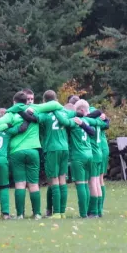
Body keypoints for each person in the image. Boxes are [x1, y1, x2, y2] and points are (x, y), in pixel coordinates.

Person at [0, 91, 63, 219]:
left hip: (16, 152)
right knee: (34, 183)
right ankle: (37, 214)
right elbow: (56, 105)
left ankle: (20, 214)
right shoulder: (34, 109)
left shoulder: (11, 114)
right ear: (26, 101)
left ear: (14, 102)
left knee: (20, 184)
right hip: (33, 150)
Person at [36, 90, 70, 219]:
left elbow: (34, 118)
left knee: (54, 180)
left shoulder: (45, 115)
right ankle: (62, 212)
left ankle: (55, 212)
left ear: (44, 101)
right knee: (62, 179)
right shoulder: (63, 112)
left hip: (52, 148)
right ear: (56, 99)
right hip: (64, 148)